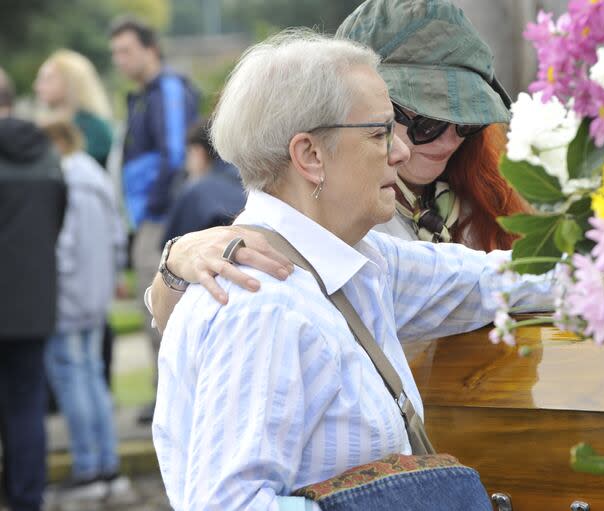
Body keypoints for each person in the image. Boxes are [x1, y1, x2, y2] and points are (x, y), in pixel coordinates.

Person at [152, 30, 552, 510]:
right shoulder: (264, 304)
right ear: (310, 156)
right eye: (380, 132)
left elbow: (491, 280)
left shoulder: (358, 263)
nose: (401, 152)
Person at [147, 0, 530, 332]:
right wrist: (177, 263)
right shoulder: (300, 254)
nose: (449, 140)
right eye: (427, 123)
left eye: (468, 123)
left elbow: (482, 279)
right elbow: (220, 301)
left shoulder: (469, 197)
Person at [109, 16, 199, 423]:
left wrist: (158, 213)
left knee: (161, 307)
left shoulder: (167, 89)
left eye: (126, 50)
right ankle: (166, 395)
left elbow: (175, 156)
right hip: (145, 214)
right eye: (115, 54)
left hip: (160, 218)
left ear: (151, 49)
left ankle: (175, 399)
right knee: (152, 308)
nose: (120, 60)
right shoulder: (143, 94)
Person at [40, 120, 131, 504]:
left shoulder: (64, 179)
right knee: (92, 377)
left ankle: (88, 467)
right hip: (96, 295)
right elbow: (115, 234)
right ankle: (108, 465)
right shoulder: (96, 176)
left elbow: (62, 242)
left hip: (67, 295)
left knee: (70, 377)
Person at [0, 67, 67, 511]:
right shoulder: (47, 151)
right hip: (33, 300)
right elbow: (56, 222)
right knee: (27, 407)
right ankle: (28, 500)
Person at [34, 48, 119, 389]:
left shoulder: (89, 130)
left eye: (47, 77)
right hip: (80, 234)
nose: (40, 85)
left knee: (79, 356)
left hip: (85, 235)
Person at [161, 119, 246, 244]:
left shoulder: (198, 191)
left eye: (187, 154)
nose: (187, 165)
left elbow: (172, 245)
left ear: (197, 152)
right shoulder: (251, 179)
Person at [34, 49, 113, 167]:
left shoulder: (94, 127)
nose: (37, 86)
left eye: (48, 79)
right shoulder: (43, 125)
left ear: (71, 81)